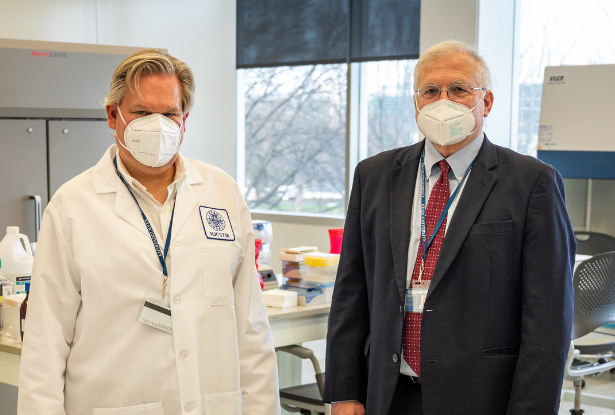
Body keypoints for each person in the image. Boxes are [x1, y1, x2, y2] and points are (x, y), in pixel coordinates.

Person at [18, 49, 280, 415]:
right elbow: (46, 341)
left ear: (184, 120)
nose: (157, 125)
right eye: (141, 112)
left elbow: (252, 329)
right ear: (114, 115)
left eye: (169, 113)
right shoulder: (72, 206)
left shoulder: (222, 193)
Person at [323, 40, 575, 415]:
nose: (443, 101)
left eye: (458, 89)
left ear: (485, 102)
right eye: (430, 91)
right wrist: (344, 391)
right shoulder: (374, 174)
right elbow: (351, 291)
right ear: (416, 102)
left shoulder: (531, 182)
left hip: (481, 397)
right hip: (388, 392)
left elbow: (548, 320)